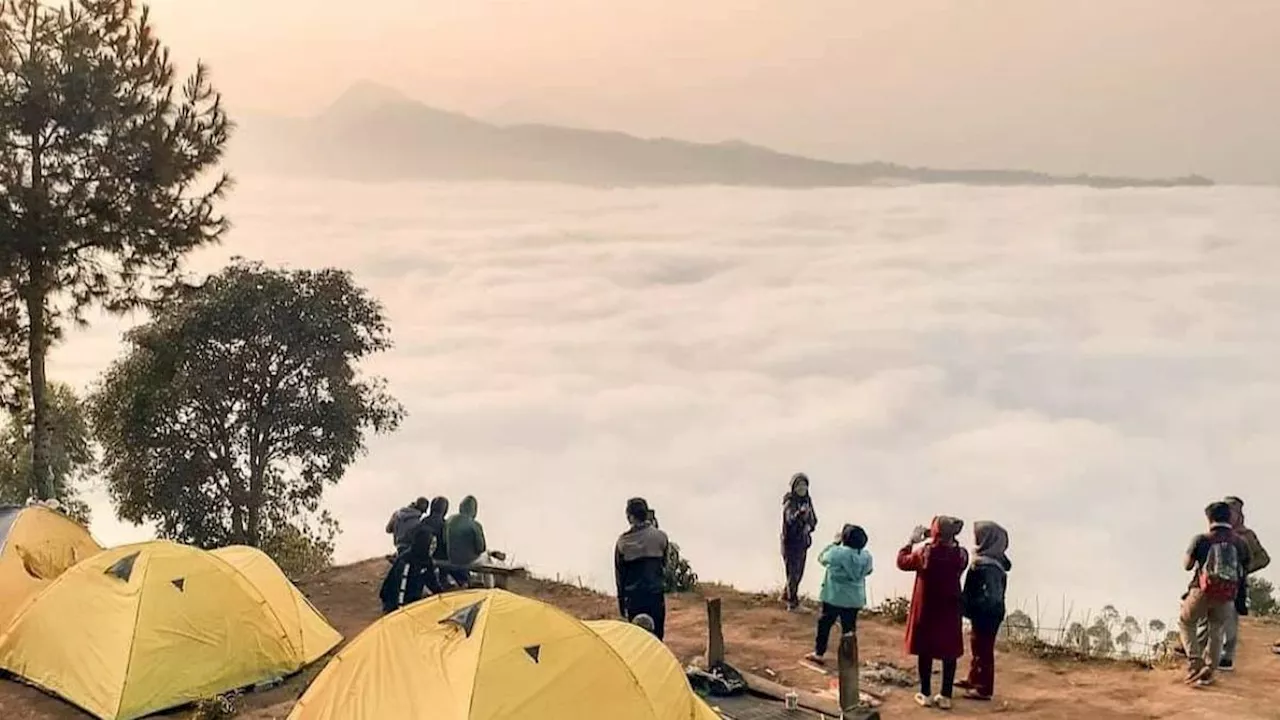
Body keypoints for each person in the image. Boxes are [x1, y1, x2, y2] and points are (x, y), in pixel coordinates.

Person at [897, 516, 968, 710]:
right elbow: (956, 554)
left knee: (925, 649)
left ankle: (925, 693)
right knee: (949, 650)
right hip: (950, 608)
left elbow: (902, 562)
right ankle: (945, 695)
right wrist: (938, 536)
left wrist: (911, 541)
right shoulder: (961, 554)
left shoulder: (924, 553)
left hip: (927, 608)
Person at [1178, 501, 1251, 686]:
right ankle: (1209, 670)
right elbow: (1245, 569)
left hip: (1201, 591)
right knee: (1216, 629)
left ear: (1209, 518)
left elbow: (1187, 566)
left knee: (1186, 622)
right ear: (1230, 518)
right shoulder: (1240, 543)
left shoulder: (1202, 539)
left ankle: (1195, 662)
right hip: (1227, 594)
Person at [1196, 496, 1269, 672]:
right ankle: (1197, 651)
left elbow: (1263, 558)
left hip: (1235, 586)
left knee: (1230, 620)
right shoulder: (1218, 533)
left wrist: (1243, 569)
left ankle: (1226, 657)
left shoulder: (1247, 536)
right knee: (1205, 617)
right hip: (1211, 583)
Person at [957, 521, 1012, 701]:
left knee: (983, 649)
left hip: (986, 614)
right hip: (988, 613)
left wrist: (971, 606)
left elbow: (991, 596)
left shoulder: (987, 566)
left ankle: (983, 688)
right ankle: (974, 678)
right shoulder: (993, 561)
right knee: (977, 646)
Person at [804, 524, 872, 665]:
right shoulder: (866, 556)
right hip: (854, 599)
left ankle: (819, 653)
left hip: (833, 596)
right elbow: (869, 571)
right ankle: (848, 657)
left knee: (825, 624)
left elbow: (822, 558)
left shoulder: (837, 553)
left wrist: (834, 543)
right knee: (849, 629)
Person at [615, 497, 670, 640]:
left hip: (634, 600)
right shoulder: (661, 537)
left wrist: (622, 605)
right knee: (657, 639)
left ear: (630, 517)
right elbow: (665, 565)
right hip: (655, 597)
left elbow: (620, 577)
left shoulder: (622, 543)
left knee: (637, 641)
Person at [378, 507, 446, 613]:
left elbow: (433, 583)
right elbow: (399, 590)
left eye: (434, 544)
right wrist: (402, 610)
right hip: (396, 605)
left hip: (411, 599)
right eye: (431, 544)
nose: (433, 547)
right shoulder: (407, 561)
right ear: (424, 544)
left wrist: (445, 597)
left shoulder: (426, 561)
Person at [781, 473, 819, 612]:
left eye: (804, 485)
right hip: (790, 543)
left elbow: (814, 520)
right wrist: (800, 514)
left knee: (799, 572)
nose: (802, 488)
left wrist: (809, 526)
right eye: (799, 485)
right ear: (793, 487)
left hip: (802, 542)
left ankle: (787, 595)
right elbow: (790, 519)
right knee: (793, 572)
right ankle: (793, 603)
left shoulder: (807, 500)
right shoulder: (790, 502)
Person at [444, 495, 487, 588]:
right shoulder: (475, 525)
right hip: (467, 560)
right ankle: (488, 586)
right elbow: (481, 548)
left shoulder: (450, 520)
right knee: (487, 557)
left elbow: (444, 539)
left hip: (450, 557)